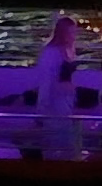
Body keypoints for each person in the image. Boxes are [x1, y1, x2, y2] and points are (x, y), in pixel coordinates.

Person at [32, 13, 83, 158]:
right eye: (71, 31)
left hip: (66, 96)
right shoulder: (52, 52)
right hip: (55, 98)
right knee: (56, 132)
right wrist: (43, 105)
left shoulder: (68, 50)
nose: (74, 35)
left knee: (65, 131)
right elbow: (47, 79)